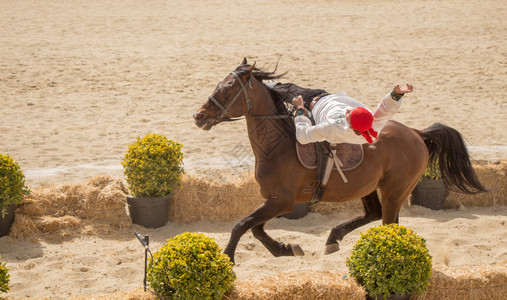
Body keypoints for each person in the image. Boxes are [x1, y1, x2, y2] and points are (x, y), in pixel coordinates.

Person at [292, 84, 413, 145]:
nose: (347, 110)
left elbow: (303, 136)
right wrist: (396, 94)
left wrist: (301, 110)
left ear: (350, 126)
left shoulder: (332, 126)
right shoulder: (372, 126)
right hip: (328, 99)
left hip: (313, 102)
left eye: (348, 114)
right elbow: (386, 110)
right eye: (353, 109)